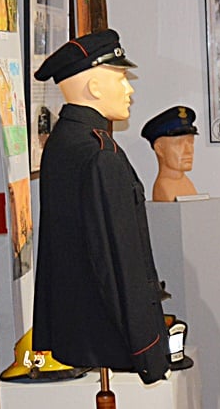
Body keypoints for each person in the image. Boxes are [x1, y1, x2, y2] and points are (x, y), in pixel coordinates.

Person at [31, 29, 171, 384]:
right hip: (106, 328)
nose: (129, 88)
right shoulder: (99, 155)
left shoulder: (64, 143)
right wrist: (148, 346)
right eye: (121, 77)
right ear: (93, 86)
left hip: (74, 323)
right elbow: (122, 261)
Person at [141, 105, 200, 201]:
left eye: (191, 142)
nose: (189, 150)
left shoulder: (187, 183)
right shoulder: (163, 188)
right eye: (179, 143)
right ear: (159, 149)